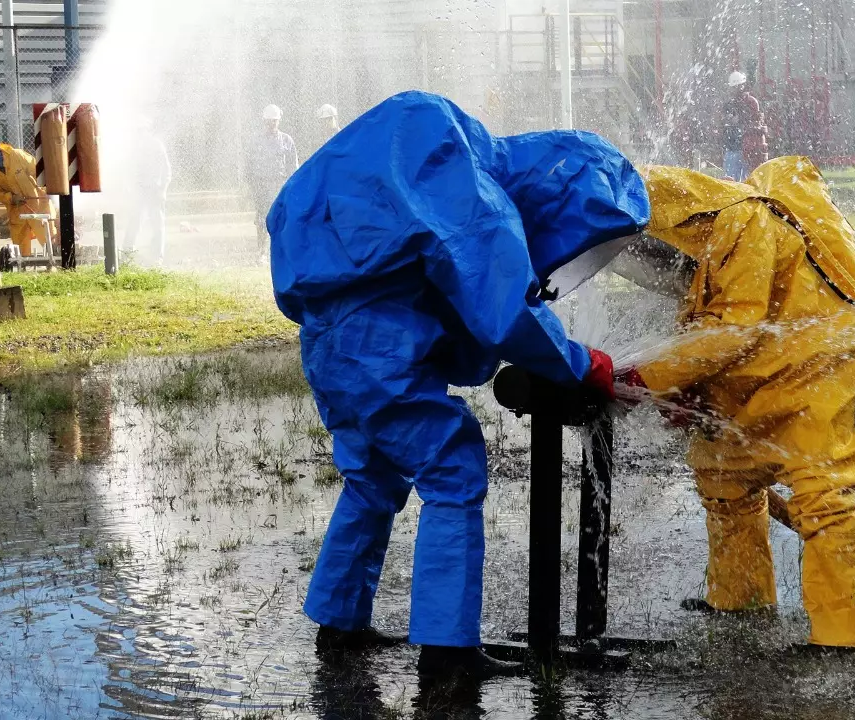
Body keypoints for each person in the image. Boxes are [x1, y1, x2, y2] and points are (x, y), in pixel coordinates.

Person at [268, 91, 649, 679]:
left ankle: (338, 626)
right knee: (452, 467)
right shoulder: (471, 181)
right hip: (379, 345)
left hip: (329, 342)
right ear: (562, 194)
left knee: (372, 478)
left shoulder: (429, 136)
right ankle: (447, 654)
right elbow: (506, 312)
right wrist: (583, 365)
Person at [619, 157, 855, 650]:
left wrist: (646, 375)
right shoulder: (704, 239)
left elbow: (732, 329)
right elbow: (708, 319)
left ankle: (847, 635)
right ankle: (740, 601)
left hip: (819, 365)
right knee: (725, 477)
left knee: (821, 493)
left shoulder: (741, 222)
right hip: (768, 365)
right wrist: (686, 387)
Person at [247, 104, 298, 251]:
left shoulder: (287, 140)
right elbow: (249, 166)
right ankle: (261, 251)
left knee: (282, 219)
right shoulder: (256, 141)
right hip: (261, 185)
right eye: (269, 121)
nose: (271, 124)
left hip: (280, 186)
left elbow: (292, 166)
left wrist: (291, 187)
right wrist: (252, 186)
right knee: (262, 219)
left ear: (279, 121)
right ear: (264, 121)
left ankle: (281, 251)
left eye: (274, 121)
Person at [123, 117, 172, 265]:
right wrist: (130, 188)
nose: (140, 134)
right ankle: (127, 254)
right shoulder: (135, 148)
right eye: (138, 131)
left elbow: (167, 171)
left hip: (155, 190)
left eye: (142, 131)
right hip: (140, 190)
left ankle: (157, 257)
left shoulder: (157, 146)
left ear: (148, 131)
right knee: (135, 220)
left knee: (157, 222)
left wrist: (162, 190)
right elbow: (129, 170)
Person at [0, 140, 56, 259]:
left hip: (39, 206)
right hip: (17, 211)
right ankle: (22, 272)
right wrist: (11, 198)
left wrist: (50, 191)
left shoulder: (17, 155)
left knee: (49, 239)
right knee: (20, 250)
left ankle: (55, 265)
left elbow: (39, 172)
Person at [721, 71, 766, 181]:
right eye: (734, 87)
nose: (736, 89)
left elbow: (756, 124)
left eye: (738, 86)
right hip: (734, 146)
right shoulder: (729, 104)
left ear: (743, 86)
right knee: (733, 179)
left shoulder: (751, 102)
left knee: (744, 178)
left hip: (746, 147)